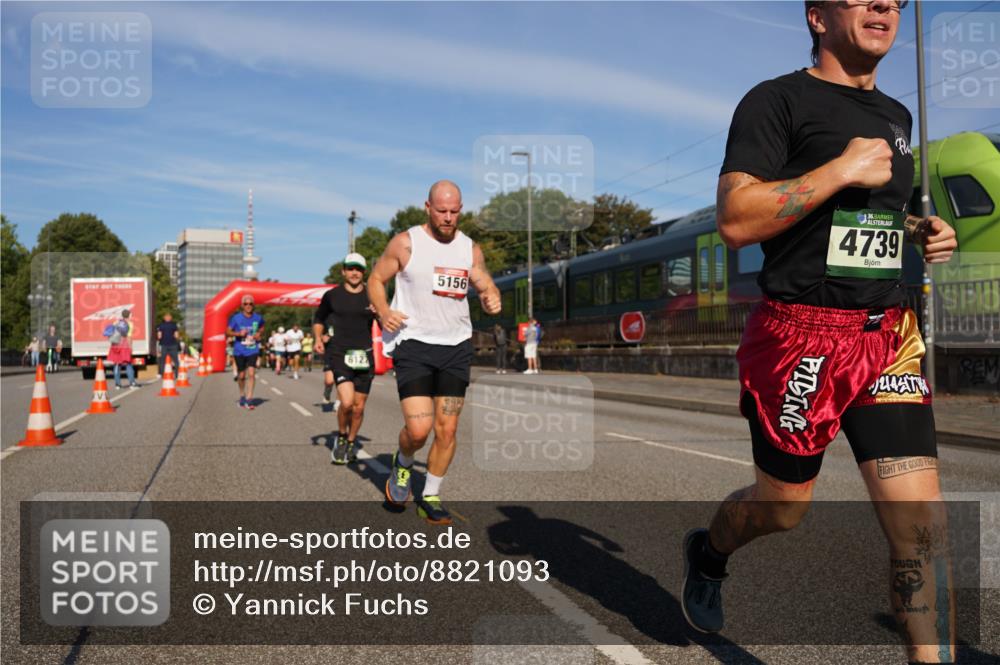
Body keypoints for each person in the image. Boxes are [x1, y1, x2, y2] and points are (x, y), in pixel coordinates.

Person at [680, 3, 958, 664]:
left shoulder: (897, 115)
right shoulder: (775, 101)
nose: (884, 6)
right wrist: (838, 169)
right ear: (817, 16)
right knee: (781, 508)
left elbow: (863, 221)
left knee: (922, 530)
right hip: (799, 339)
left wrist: (919, 231)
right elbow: (736, 218)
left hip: (887, 335)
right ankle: (710, 551)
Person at [369, 180, 501, 524]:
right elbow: (375, 280)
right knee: (418, 430)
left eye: (454, 212)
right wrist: (384, 312)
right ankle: (403, 462)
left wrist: (490, 295)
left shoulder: (469, 249)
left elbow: (483, 279)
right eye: (441, 211)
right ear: (427, 207)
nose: (448, 218)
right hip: (414, 345)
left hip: (455, 349)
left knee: (448, 430)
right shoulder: (405, 243)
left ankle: (430, 494)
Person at [314, 253, 378, 464]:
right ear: (343, 271)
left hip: (365, 356)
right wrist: (317, 338)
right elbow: (319, 318)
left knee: (359, 408)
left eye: (358, 269)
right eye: (350, 268)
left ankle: (351, 441)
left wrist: (382, 313)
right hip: (340, 354)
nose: (354, 273)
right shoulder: (332, 296)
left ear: (363, 272)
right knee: (347, 403)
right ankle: (341, 436)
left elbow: (386, 320)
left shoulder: (372, 295)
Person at [226, 295, 265, 410]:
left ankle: (249, 398)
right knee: (242, 376)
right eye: (246, 304)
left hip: (253, 349)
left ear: (253, 305)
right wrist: (238, 334)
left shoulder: (258, 317)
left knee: (252, 374)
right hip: (239, 350)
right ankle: (242, 395)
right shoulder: (236, 318)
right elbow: (227, 331)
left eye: (250, 304)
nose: (248, 306)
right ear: (242, 306)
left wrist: (259, 333)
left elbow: (262, 327)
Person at [105, 310, 138, 389]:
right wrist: (130, 347)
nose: (131, 316)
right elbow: (129, 337)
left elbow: (111, 334)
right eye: (131, 315)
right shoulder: (130, 324)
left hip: (115, 345)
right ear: (129, 315)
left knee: (116, 364)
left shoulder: (116, 322)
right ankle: (132, 383)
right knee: (128, 364)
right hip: (124, 345)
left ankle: (117, 384)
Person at [156, 312, 181, 378]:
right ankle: (177, 374)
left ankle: (162, 374)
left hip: (164, 345)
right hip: (173, 345)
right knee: (176, 361)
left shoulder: (161, 325)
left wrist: (160, 339)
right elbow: (176, 335)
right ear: (171, 318)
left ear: (164, 318)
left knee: (162, 361)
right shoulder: (174, 325)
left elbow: (159, 336)